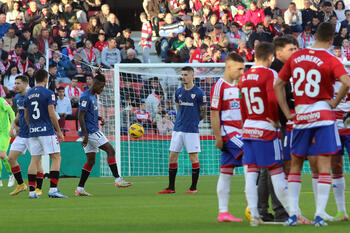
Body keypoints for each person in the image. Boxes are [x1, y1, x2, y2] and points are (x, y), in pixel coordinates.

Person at [275, 22, 350, 226]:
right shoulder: (331, 59)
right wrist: (334, 102)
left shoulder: (296, 57)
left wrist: (286, 112)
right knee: (324, 165)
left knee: (296, 165)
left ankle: (292, 215)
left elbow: (278, 84)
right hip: (323, 116)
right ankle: (319, 214)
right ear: (332, 39)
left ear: (315, 36)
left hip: (300, 116)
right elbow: (347, 82)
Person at [239, 42, 289, 227]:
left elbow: (243, 105)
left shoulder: (244, 76)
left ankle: (255, 216)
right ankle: (292, 214)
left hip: (248, 128)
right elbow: (272, 98)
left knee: (251, 174)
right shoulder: (270, 73)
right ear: (270, 57)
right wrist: (274, 119)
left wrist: (246, 124)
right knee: (276, 171)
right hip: (265, 128)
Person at [256, 37, 299, 223]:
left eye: (296, 48)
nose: (295, 52)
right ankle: (276, 210)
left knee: (267, 169)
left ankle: (263, 210)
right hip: (273, 125)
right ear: (278, 52)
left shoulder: (281, 69)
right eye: (291, 49)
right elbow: (273, 99)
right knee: (272, 169)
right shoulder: (275, 71)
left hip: (272, 125)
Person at [74, 72, 132, 196]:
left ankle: (79, 188)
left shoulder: (93, 96)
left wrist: (99, 118)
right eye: (101, 87)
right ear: (95, 84)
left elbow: (90, 112)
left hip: (90, 131)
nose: (102, 89)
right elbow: (80, 115)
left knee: (90, 161)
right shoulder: (85, 96)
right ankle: (117, 179)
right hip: (91, 131)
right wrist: (86, 135)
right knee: (111, 150)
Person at [158, 66, 206, 194]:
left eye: (185, 75)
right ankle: (171, 187)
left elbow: (203, 112)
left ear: (192, 76)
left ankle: (193, 188)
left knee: (193, 157)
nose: (183, 77)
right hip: (178, 129)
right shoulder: (178, 92)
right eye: (182, 75)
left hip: (191, 130)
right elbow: (178, 108)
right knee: (172, 156)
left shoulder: (199, 93)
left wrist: (194, 121)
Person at [210, 52, 245, 223]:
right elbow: (214, 113)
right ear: (229, 67)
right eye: (239, 69)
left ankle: (223, 212)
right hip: (229, 133)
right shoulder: (219, 86)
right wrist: (218, 137)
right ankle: (252, 202)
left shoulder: (239, 86)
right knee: (251, 158)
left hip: (239, 132)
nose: (242, 72)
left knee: (226, 172)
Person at [24, 69, 67, 199]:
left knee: (34, 159)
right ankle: (53, 190)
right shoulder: (48, 93)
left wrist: (31, 127)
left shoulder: (28, 94)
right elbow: (52, 113)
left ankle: (32, 192)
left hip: (33, 131)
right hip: (46, 131)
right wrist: (59, 131)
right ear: (46, 79)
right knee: (56, 157)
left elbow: (26, 114)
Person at [8, 76, 44, 196]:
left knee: (37, 162)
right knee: (11, 158)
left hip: (33, 134)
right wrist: (12, 126)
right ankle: (21, 185)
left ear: (25, 84)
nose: (15, 85)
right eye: (15, 83)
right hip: (22, 134)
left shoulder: (33, 95)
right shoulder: (18, 97)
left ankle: (38, 188)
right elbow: (19, 114)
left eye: (18, 83)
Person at [0, 96, 15, 188]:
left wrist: (13, 127)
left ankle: (11, 174)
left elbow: (11, 111)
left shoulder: (1, 100)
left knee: (2, 154)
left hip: (5, 132)